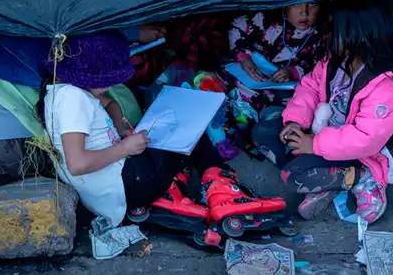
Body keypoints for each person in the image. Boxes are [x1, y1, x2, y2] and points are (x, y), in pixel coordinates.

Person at [38, 30, 283, 229]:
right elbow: (77, 164)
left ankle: (175, 189)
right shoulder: (74, 100)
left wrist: (123, 130)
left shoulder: (62, 91)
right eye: (108, 79)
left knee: (169, 133)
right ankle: (224, 194)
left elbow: (109, 103)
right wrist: (125, 147)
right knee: (188, 128)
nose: (112, 84)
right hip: (128, 183)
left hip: (114, 184)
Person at [251, 0, 393, 224]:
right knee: (263, 132)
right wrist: (295, 122)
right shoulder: (335, 61)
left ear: (359, 36)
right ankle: (327, 180)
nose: (328, 36)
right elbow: (310, 87)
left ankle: (362, 180)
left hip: (359, 155)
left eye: (335, 31)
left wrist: (313, 145)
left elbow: (366, 140)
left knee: (293, 176)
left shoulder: (388, 87)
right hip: (322, 134)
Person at [213, 2, 328, 158]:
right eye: (296, 5)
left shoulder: (322, 35)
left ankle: (251, 123)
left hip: (283, 87)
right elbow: (236, 26)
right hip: (250, 71)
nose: (304, 12)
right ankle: (233, 123)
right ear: (285, 5)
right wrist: (244, 57)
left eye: (313, 5)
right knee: (220, 74)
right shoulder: (266, 19)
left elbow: (319, 70)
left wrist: (293, 71)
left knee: (294, 101)